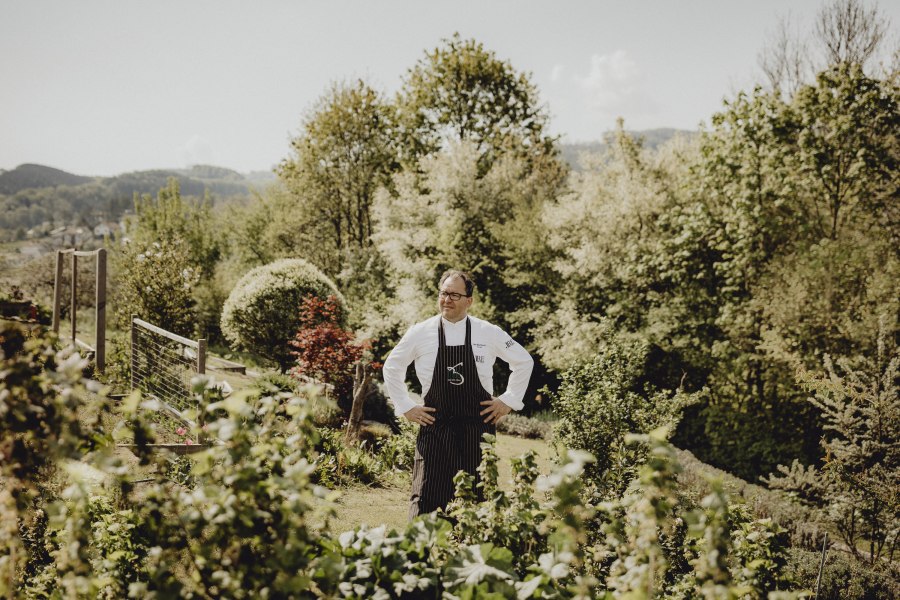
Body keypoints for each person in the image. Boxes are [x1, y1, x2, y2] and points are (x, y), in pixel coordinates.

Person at [382, 269, 534, 519]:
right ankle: (422, 553)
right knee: (426, 493)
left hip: (478, 427)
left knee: (476, 495)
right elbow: (392, 366)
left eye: (454, 294)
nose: (447, 299)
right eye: (443, 293)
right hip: (435, 426)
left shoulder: (489, 332)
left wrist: (508, 400)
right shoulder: (420, 332)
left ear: (469, 301)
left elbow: (523, 361)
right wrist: (406, 406)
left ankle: (468, 552)